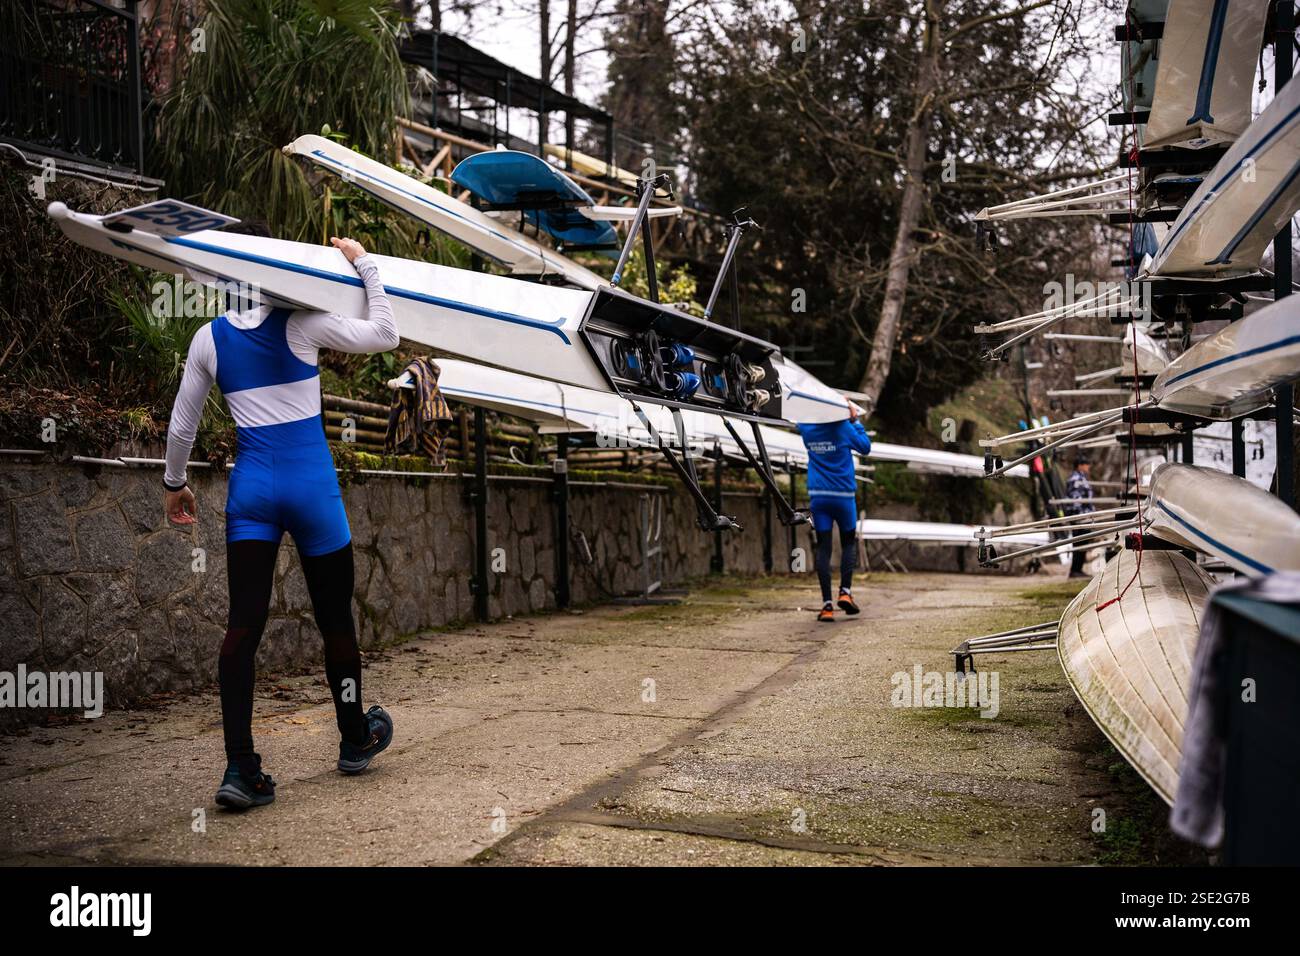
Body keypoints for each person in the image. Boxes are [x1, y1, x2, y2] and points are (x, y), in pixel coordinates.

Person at [163, 237, 401, 809]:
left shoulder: (208, 340)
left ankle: (241, 770)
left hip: (252, 493)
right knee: (336, 621)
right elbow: (385, 334)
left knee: (242, 627)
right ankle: (354, 737)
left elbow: (181, 428)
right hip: (312, 489)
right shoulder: (303, 324)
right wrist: (364, 262)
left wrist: (175, 485)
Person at [797, 408, 872, 622]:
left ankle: (827, 606)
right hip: (843, 497)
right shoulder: (843, 427)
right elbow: (865, 447)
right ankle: (845, 592)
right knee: (849, 543)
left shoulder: (807, 429)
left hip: (818, 497)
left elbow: (799, 417)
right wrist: (854, 420)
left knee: (824, 547)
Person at [1065, 453, 1096, 578]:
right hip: (1080, 517)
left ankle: (1078, 569)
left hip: (1084, 516)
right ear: (1080, 466)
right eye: (1086, 464)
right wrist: (1081, 517)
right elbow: (1075, 500)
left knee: (1083, 542)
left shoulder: (1081, 477)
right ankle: (1075, 570)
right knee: (1079, 543)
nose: (1088, 466)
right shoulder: (1075, 479)